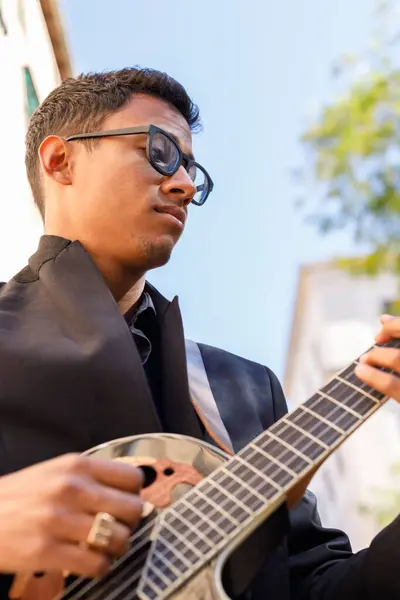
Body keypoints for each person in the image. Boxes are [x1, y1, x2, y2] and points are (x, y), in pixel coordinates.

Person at [0, 67, 399, 600]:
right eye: (160, 152)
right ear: (61, 160)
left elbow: (319, 588)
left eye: (193, 170)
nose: (185, 185)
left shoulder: (246, 388)